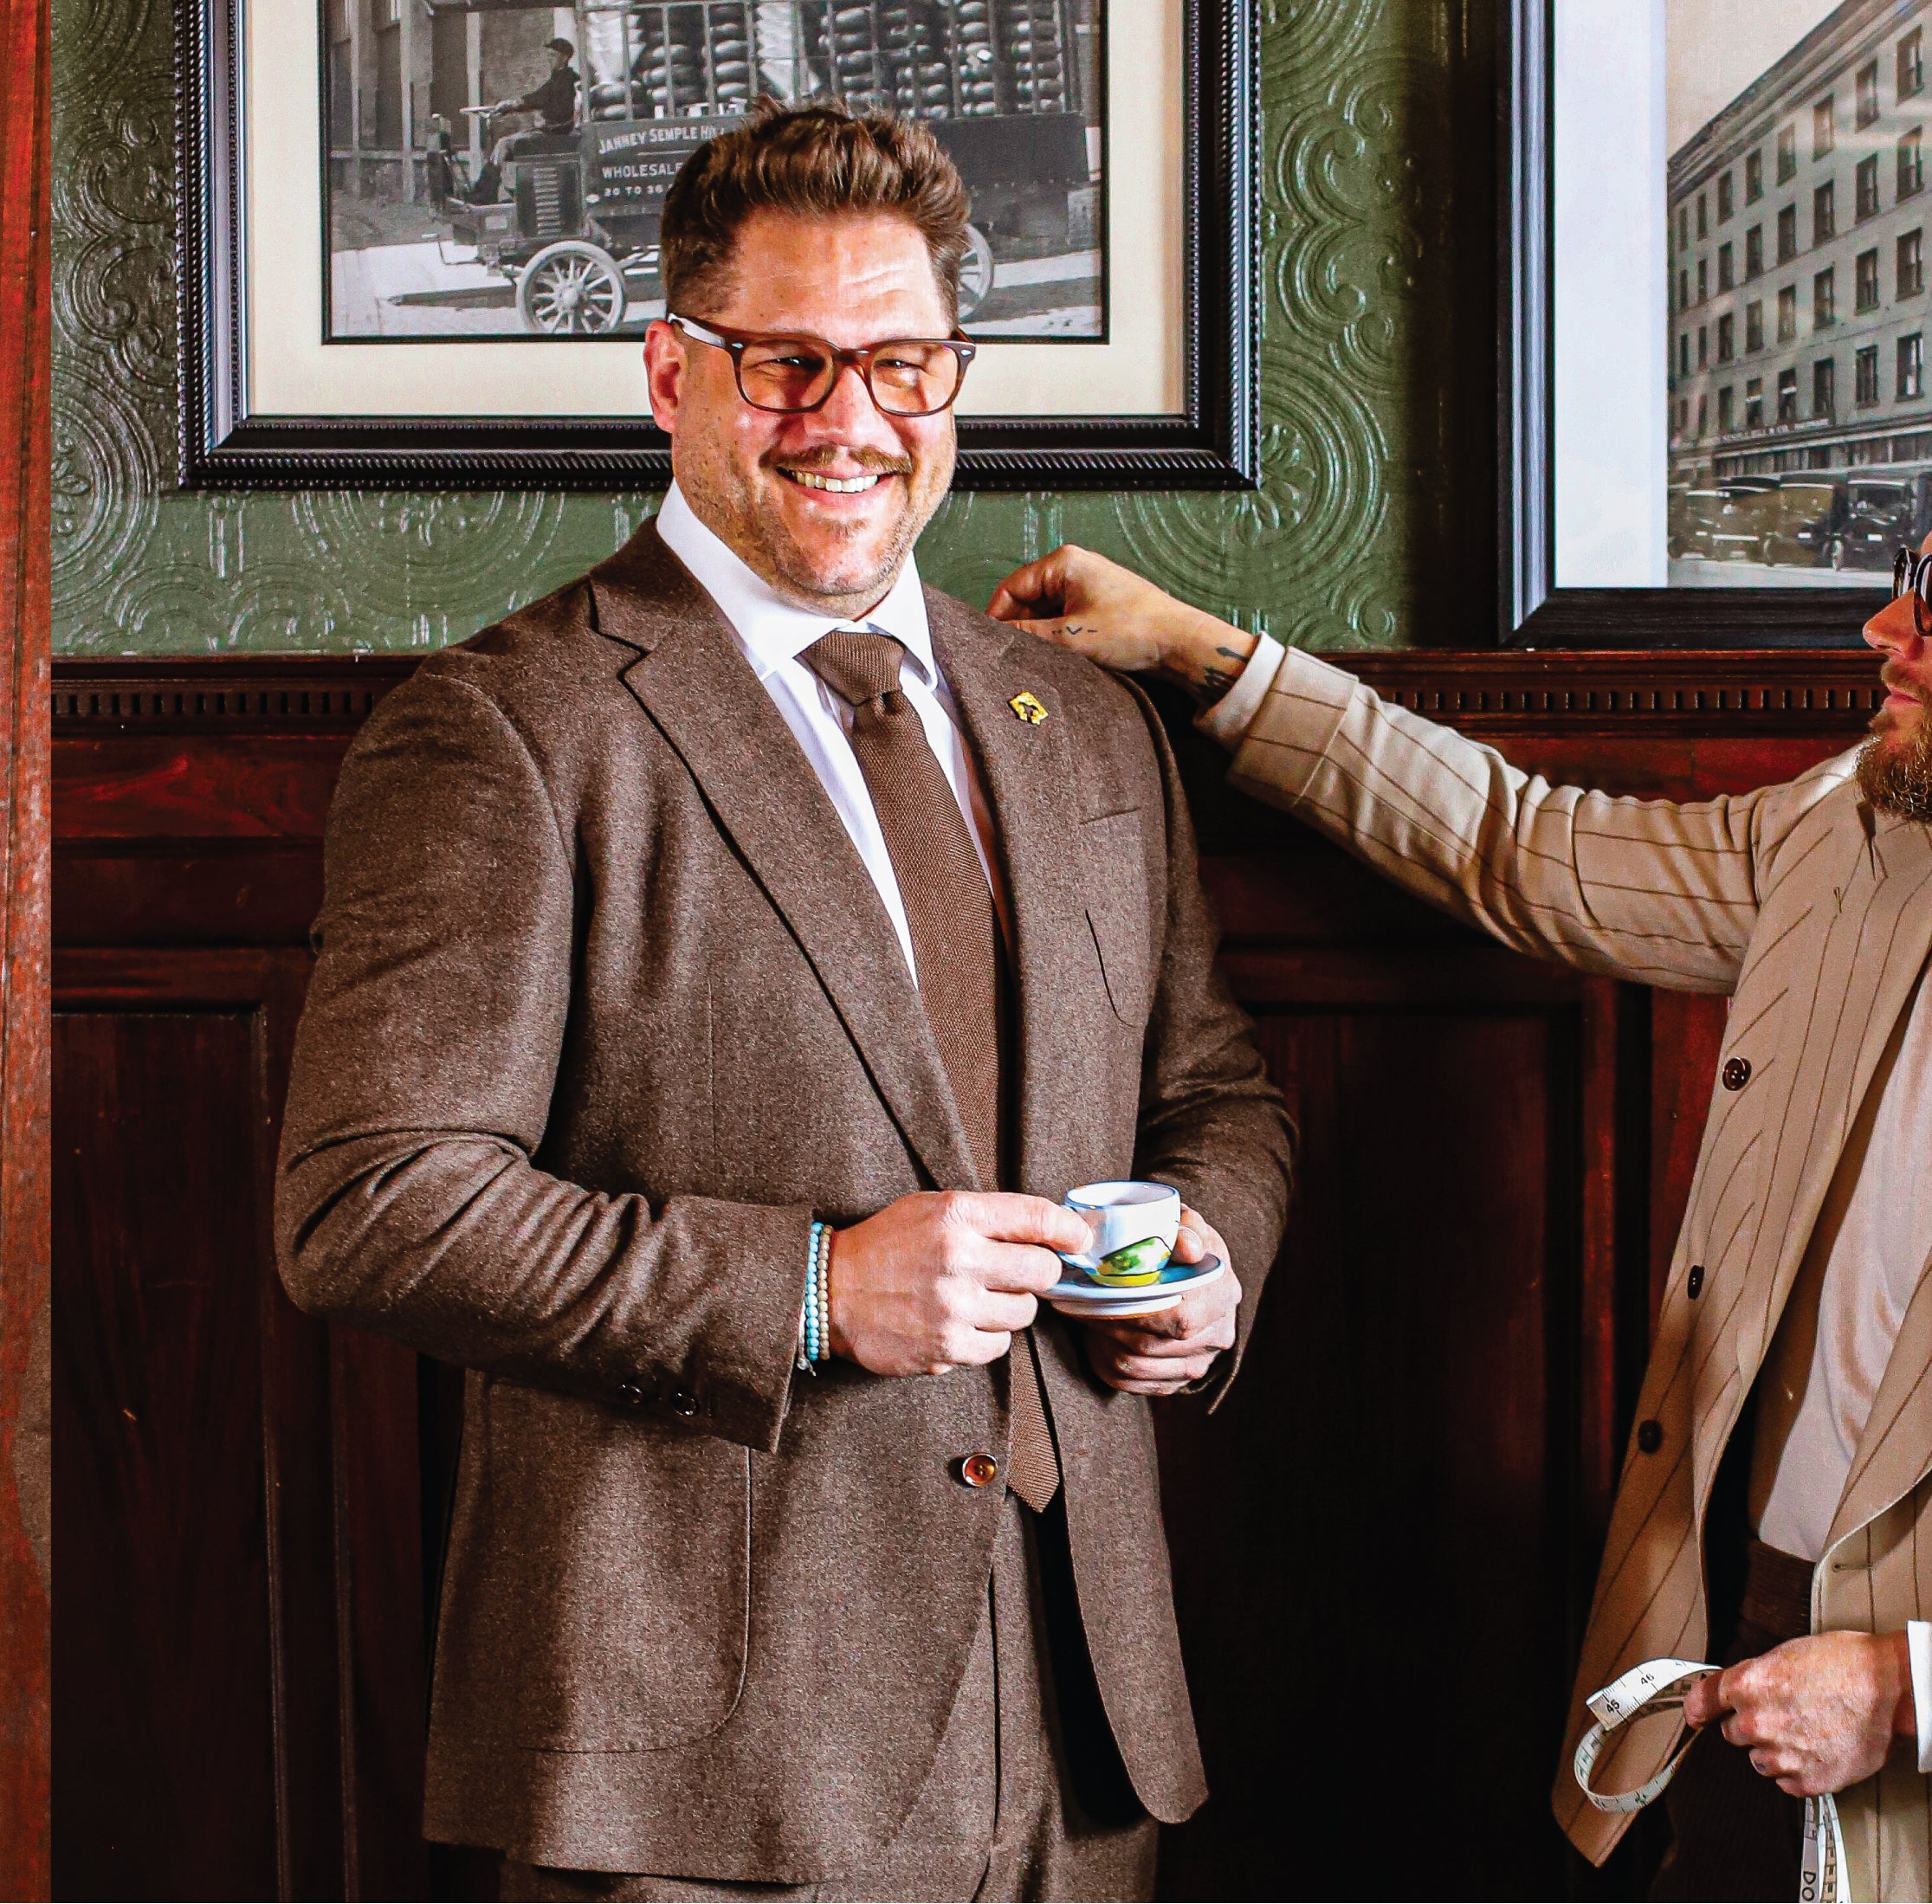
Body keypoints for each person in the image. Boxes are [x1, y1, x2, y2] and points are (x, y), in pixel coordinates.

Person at [991, 417, 1932, 1901]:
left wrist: (1905, 1689)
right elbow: (1527, 848)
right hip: (1731, 1672)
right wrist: (1203, 655)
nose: (1885, 625)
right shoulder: (1859, 836)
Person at [276, 100, 1294, 1900]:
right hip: (705, 1761)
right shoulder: (507, 729)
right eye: (786, 364)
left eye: (900, 361)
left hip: (1080, 1725)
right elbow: (374, 1205)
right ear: (671, 371)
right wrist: (817, 1288)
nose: (850, 420)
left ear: (955, 375)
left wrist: (1209, 1263)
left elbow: (1213, 1085)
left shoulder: (1084, 725)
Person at [469, 36, 584, 199]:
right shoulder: (561, 78)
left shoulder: (564, 80)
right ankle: (501, 189)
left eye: (553, 56)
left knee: (503, 145)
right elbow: (539, 98)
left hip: (554, 135)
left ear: (564, 58)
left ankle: (484, 194)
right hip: (553, 132)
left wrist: (512, 104)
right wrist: (510, 108)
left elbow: (539, 98)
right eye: (548, 55)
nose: (549, 59)